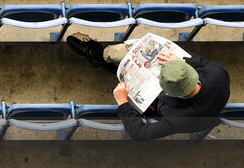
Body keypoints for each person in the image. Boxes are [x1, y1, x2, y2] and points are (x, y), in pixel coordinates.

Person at [66, 33, 231, 140]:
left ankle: (99, 56)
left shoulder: (178, 119)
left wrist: (123, 102)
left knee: (127, 66)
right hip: (208, 105)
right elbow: (203, 63)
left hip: (158, 106)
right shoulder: (219, 74)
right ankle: (101, 58)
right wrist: (184, 62)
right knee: (136, 46)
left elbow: (140, 134)